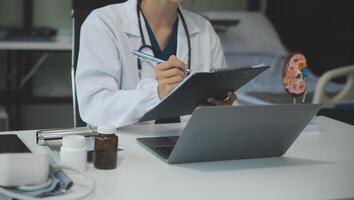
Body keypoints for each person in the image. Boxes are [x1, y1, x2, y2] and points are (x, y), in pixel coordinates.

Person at [76, 0, 237, 127]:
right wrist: (156, 93)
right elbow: (94, 108)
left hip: (191, 149)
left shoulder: (204, 30)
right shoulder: (103, 23)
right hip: (125, 154)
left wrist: (221, 109)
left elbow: (225, 100)